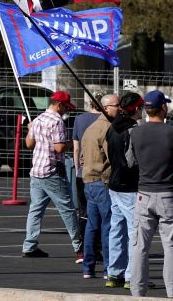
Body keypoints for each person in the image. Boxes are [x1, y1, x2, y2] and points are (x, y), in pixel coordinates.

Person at [129, 90, 173, 299]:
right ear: (163, 107)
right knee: (171, 246)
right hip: (167, 193)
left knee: (139, 246)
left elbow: (131, 161)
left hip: (144, 192)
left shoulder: (135, 132)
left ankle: (137, 291)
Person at [21, 91, 83, 261]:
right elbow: (59, 148)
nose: (65, 111)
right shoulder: (57, 122)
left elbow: (29, 144)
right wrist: (74, 143)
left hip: (37, 170)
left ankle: (29, 244)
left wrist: (30, 130)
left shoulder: (39, 119)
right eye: (65, 107)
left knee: (36, 209)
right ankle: (79, 248)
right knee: (67, 209)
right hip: (52, 170)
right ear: (59, 104)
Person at [104, 92, 144, 289]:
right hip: (129, 185)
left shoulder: (112, 128)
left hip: (114, 182)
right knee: (133, 230)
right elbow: (133, 161)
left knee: (116, 229)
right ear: (136, 109)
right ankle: (130, 275)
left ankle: (114, 272)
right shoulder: (133, 130)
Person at [80, 93, 120, 279]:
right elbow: (112, 155)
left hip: (88, 181)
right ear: (106, 108)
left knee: (92, 226)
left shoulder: (90, 128)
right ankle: (108, 268)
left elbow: (81, 157)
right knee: (107, 226)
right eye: (116, 105)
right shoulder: (107, 128)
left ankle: (88, 268)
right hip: (102, 182)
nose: (119, 108)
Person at [71, 90, 106, 259]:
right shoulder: (105, 121)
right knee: (103, 212)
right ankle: (100, 247)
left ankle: (84, 250)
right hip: (100, 172)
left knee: (84, 212)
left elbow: (76, 147)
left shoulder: (80, 119)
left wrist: (78, 169)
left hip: (83, 172)